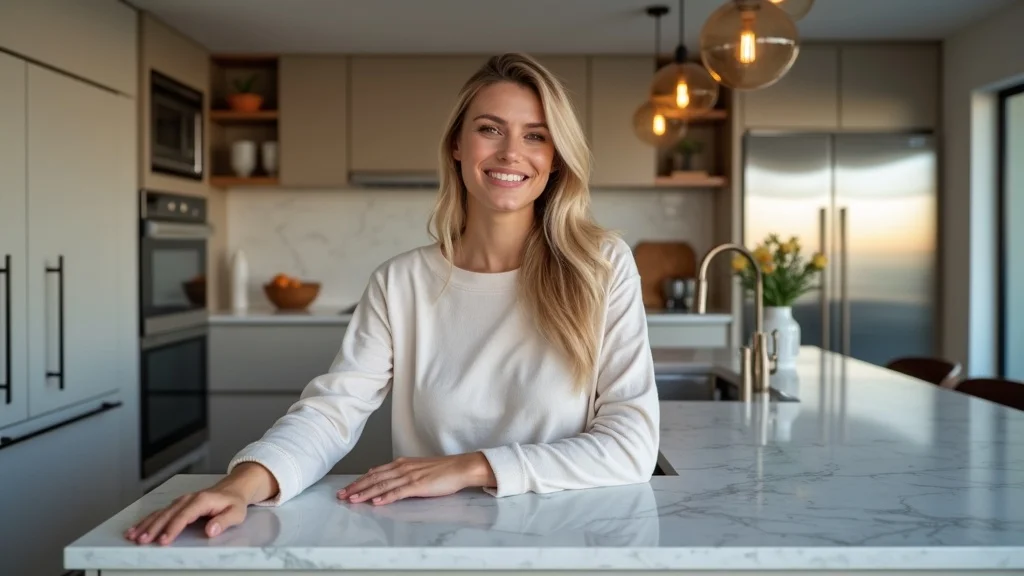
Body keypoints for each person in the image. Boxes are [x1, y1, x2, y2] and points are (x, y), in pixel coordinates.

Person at [125, 53, 660, 547]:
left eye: (536, 136)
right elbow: (332, 413)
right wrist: (241, 486)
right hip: (432, 545)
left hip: (565, 539)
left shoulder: (599, 267)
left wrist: (472, 467)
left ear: (556, 157)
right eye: (489, 129)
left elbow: (632, 443)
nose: (510, 152)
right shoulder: (400, 282)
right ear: (457, 144)